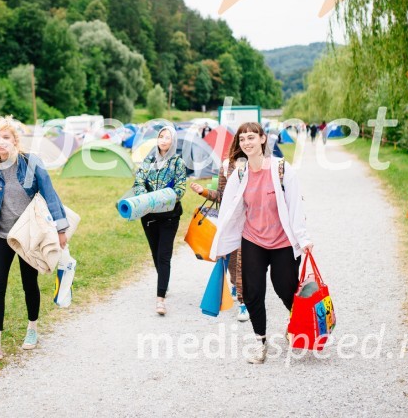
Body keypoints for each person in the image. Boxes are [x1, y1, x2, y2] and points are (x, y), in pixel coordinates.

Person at [0, 117, 69, 363]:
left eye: (6, 137)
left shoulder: (31, 163)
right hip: (2, 236)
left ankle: (32, 329)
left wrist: (61, 229)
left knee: (28, 284)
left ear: (15, 140)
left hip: (28, 237)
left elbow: (50, 195)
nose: (1, 142)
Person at [210, 121, 313, 364]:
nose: (246, 142)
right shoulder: (240, 173)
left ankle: (296, 324)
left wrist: (304, 239)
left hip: (282, 242)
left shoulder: (281, 169)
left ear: (263, 139)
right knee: (253, 293)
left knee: (285, 289)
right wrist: (220, 245)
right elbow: (229, 210)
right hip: (253, 240)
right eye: (242, 139)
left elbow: (295, 205)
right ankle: (260, 344)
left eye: (251, 137)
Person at [132, 125, 187, 315]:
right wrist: (146, 199)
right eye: (161, 136)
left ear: (174, 141)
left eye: (167, 137)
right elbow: (138, 181)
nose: (163, 140)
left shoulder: (177, 162)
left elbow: (180, 188)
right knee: (155, 253)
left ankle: (160, 298)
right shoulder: (148, 160)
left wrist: (161, 199)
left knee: (164, 255)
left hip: (169, 216)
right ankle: (164, 281)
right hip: (148, 215)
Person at [190, 160, 250, 323]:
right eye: (241, 138)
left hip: (251, 220)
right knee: (230, 259)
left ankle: (243, 302)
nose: (244, 143)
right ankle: (234, 284)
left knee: (242, 262)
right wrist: (203, 192)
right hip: (230, 221)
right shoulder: (226, 165)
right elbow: (221, 195)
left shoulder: (258, 162)